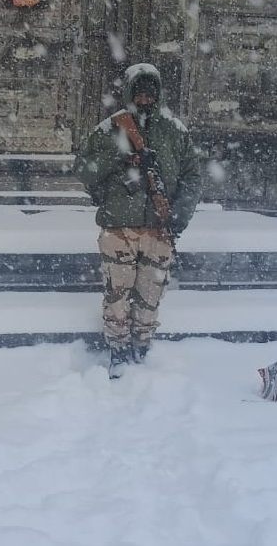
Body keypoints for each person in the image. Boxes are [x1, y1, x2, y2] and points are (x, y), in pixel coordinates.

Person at [74, 62, 201, 379]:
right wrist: (120, 157)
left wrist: (178, 216)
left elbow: (192, 178)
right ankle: (118, 352)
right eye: (139, 92)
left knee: (149, 297)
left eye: (150, 92)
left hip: (159, 227)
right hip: (119, 229)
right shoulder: (109, 129)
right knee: (117, 296)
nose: (145, 98)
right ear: (130, 93)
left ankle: (141, 351)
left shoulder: (174, 130)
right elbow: (84, 171)